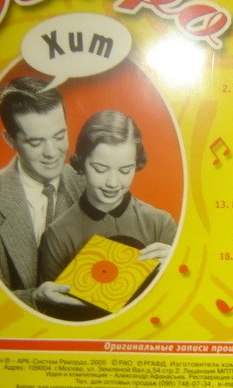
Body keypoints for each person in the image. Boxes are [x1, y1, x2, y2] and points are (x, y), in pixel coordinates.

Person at [38, 110, 177, 320]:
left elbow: (179, 304)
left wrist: (179, 269)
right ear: (81, 163)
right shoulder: (57, 235)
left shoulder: (161, 223)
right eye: (100, 169)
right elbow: (53, 318)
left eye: (125, 170)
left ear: (137, 164)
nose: (112, 183)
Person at [0, 76, 86, 311]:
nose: (52, 152)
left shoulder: (90, 183)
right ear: (10, 140)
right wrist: (34, 298)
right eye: (35, 143)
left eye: (59, 136)